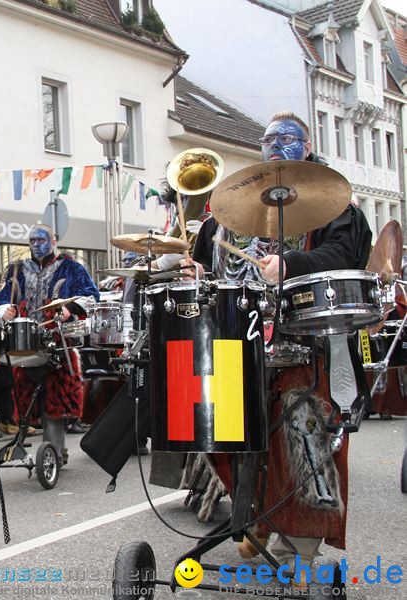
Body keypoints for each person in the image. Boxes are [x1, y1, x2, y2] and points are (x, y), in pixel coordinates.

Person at [182, 111, 372, 587]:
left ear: (306, 147)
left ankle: (302, 543)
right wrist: (190, 265)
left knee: (305, 439)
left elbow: (344, 257)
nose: (276, 149)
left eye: (287, 141)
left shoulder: (335, 205)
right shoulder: (240, 207)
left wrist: (291, 261)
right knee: (230, 433)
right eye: (269, 141)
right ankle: (259, 519)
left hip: (306, 341)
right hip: (241, 339)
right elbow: (206, 252)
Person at [0, 224, 99, 466]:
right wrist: (3, 309)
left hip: (60, 342)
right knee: (30, 400)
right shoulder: (17, 270)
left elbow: (91, 296)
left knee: (55, 400)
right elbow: (0, 298)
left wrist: (69, 309)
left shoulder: (72, 268)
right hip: (25, 343)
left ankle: (54, 453)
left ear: (54, 240)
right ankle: (52, 450)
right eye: (32, 241)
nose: (36, 245)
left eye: (41, 240)